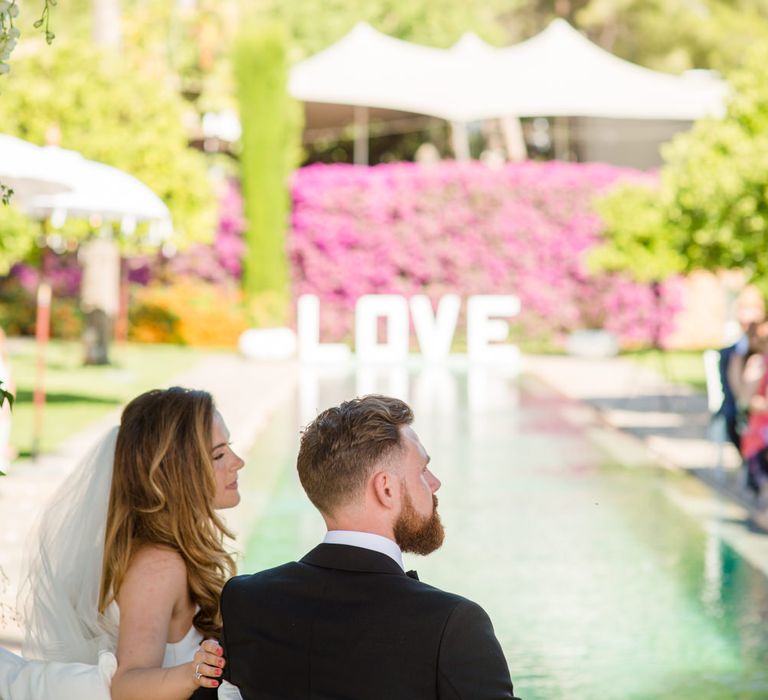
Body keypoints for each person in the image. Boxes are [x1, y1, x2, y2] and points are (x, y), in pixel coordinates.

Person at [217, 394, 520, 700]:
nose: (435, 482)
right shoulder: (452, 624)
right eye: (422, 471)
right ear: (386, 488)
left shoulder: (244, 600)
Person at [0, 386, 245, 700]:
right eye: (219, 455)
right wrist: (195, 673)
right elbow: (126, 684)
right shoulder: (159, 565)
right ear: (177, 471)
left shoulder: (166, 552)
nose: (237, 462)